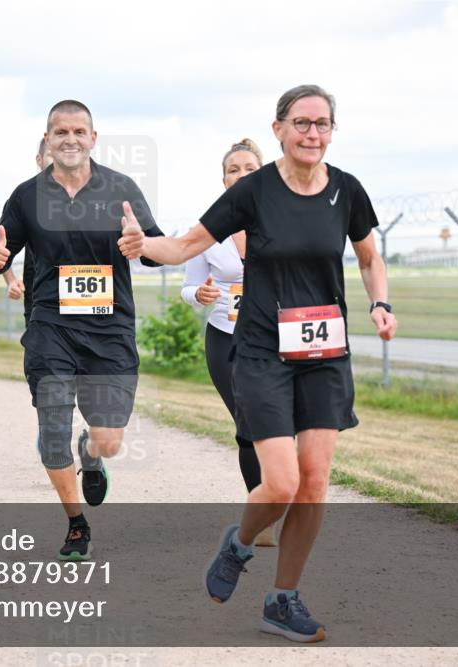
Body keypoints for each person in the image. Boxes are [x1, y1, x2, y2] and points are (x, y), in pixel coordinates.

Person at [119, 84, 397, 643]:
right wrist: (142, 243)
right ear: (278, 129)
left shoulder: (347, 191)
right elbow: (184, 246)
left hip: (324, 352)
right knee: (283, 482)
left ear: (332, 132)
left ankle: (282, 600)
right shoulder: (253, 191)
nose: (312, 133)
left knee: (315, 482)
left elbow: (369, 256)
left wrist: (380, 301)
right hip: (264, 350)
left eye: (322, 124)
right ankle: (239, 545)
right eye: (301, 123)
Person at [0, 100, 165, 561]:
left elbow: (153, 248)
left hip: (110, 330)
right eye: (60, 131)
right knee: (51, 431)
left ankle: (92, 452)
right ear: (48, 139)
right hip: (50, 327)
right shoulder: (27, 195)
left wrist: (141, 243)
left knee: (110, 439)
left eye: (79, 131)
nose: (70, 139)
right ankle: (76, 523)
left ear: (93, 138)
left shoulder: (121, 188)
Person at [180, 138, 275, 548]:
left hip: (275, 338)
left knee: (277, 424)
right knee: (246, 425)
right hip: (225, 338)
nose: (240, 176)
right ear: (223, 181)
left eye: (249, 169)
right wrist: (198, 295)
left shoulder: (281, 221)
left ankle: (280, 494)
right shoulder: (208, 229)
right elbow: (188, 286)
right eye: (233, 170)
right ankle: (263, 516)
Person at [1, 138, 53, 326]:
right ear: (39, 160)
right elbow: (0, 244)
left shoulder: (95, 199)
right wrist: (11, 280)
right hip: (41, 307)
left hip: (92, 308)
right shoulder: (25, 199)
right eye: (51, 155)